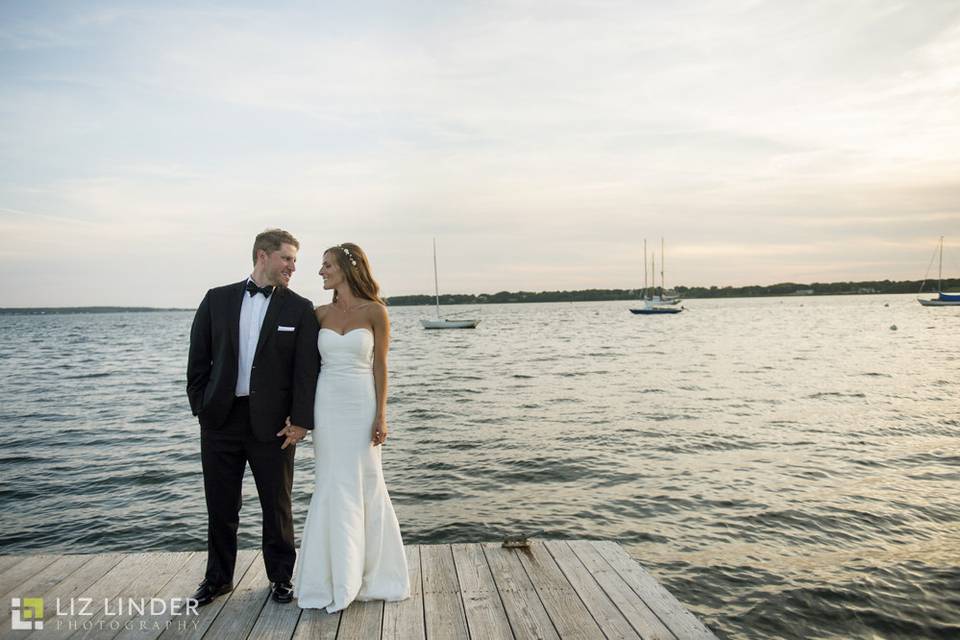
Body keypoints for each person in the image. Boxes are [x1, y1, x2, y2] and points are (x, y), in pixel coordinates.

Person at [186, 228, 320, 606]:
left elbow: (305, 372)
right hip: (221, 421)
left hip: (275, 425)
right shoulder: (217, 300)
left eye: (295, 260)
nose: (293, 267)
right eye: (287, 258)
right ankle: (217, 580)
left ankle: (280, 578)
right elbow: (198, 363)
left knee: (277, 505)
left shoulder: (299, 308)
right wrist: (202, 409)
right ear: (263, 255)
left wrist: (302, 421)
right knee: (221, 505)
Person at [293, 242, 410, 611]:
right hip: (327, 404)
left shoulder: (375, 311)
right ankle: (331, 576)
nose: (321, 271)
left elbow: (380, 366)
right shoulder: (318, 314)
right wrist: (299, 416)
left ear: (346, 267)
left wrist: (382, 415)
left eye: (326, 265)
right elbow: (305, 369)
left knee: (365, 482)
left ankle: (372, 573)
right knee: (331, 482)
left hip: (362, 403)